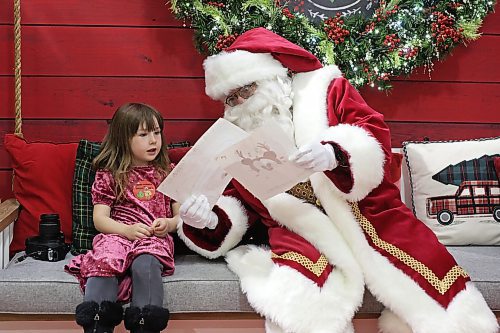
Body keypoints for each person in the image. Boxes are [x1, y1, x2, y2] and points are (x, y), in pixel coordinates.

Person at [176, 28, 498, 333]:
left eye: (245, 90)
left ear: (271, 77)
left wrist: (335, 154)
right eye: (229, 99)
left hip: (368, 214)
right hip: (302, 236)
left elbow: (373, 132)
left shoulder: (325, 91)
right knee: (303, 299)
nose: (239, 105)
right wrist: (206, 220)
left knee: (433, 290)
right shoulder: (237, 142)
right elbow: (236, 207)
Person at [65, 103, 178, 333]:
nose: (154, 140)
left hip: (151, 238)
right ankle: (97, 324)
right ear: (124, 138)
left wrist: (168, 224)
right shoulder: (109, 174)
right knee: (104, 258)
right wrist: (125, 231)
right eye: (144, 134)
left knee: (145, 263)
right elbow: (100, 219)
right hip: (118, 235)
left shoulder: (168, 171)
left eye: (157, 132)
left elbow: (181, 216)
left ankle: (145, 325)